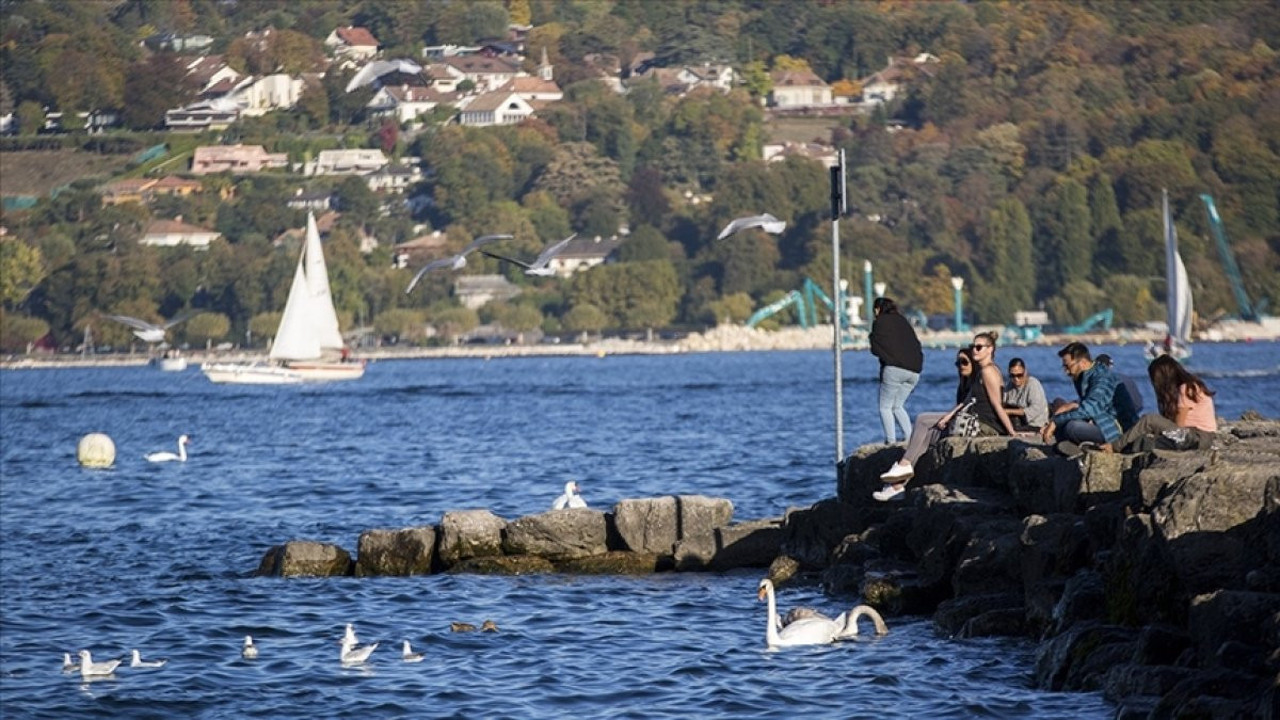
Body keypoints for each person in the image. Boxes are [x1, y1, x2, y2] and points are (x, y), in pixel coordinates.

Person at [874, 333, 1017, 501]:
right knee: (927, 436)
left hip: (981, 424)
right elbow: (967, 401)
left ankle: (903, 467)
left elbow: (997, 404)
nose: (974, 350)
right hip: (970, 419)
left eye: (979, 347)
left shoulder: (989, 371)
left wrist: (1011, 432)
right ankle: (898, 486)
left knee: (922, 419)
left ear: (990, 349)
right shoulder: (980, 373)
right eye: (973, 346)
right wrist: (948, 416)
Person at [1042, 342, 1139, 455]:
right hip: (1100, 423)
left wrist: (1055, 421)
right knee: (1062, 427)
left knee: (1072, 428)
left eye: (1068, 366)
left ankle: (1082, 449)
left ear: (1083, 362)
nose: (1066, 371)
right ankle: (1077, 448)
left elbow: (1088, 409)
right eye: (1063, 367)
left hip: (1115, 429)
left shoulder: (1102, 378)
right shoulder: (1083, 377)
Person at [1115, 355, 1217, 452]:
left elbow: (1179, 426)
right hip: (1197, 438)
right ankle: (1130, 445)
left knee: (1149, 419)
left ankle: (1115, 446)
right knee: (1145, 441)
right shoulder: (1189, 386)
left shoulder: (1187, 388)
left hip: (1197, 437)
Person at [868, 297, 923, 445]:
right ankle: (910, 438)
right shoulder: (903, 321)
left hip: (894, 369)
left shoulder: (879, 322)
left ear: (878, 309)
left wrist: (871, 337)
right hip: (914, 371)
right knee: (897, 406)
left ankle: (891, 441)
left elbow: (876, 348)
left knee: (885, 407)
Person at [1002, 357, 1048, 432]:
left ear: (1025, 372)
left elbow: (1035, 410)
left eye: (1019, 375)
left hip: (1035, 424)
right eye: (1012, 376)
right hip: (1018, 422)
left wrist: (1008, 411)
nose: (1016, 379)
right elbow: (1003, 402)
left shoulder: (1032, 384)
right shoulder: (1010, 385)